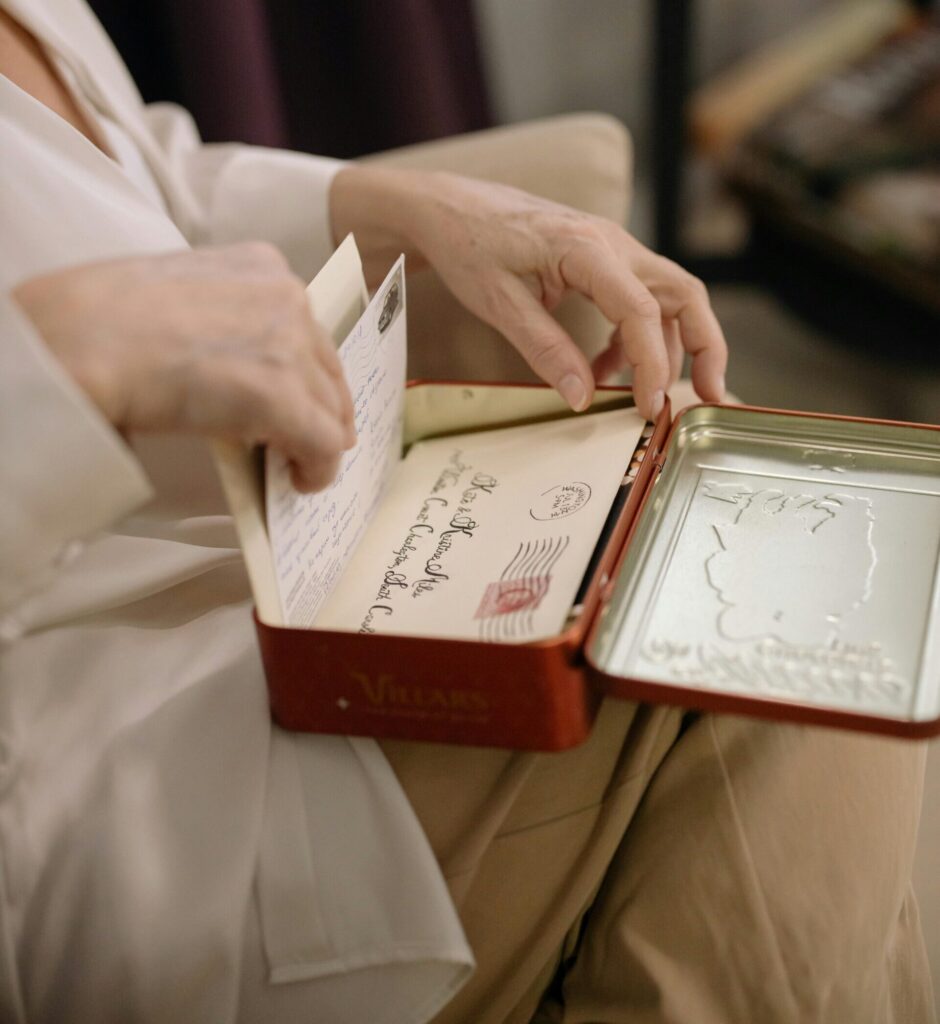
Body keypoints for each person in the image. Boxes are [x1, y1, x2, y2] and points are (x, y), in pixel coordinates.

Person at [0, 2, 932, 1022]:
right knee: (799, 638)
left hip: (278, 558)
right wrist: (57, 365)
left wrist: (412, 206)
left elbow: (125, 180)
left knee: (771, 530)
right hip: (105, 765)